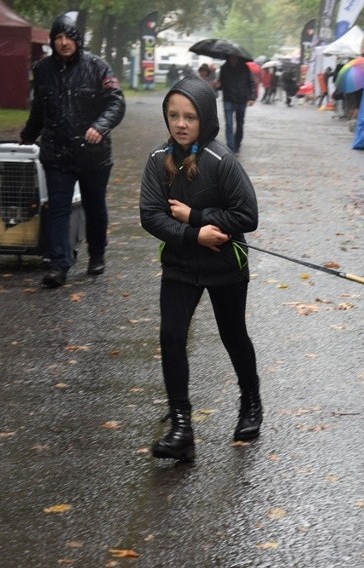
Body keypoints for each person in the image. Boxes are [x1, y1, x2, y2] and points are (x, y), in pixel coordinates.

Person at [139, 76, 262, 462]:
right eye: (173, 115)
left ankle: (250, 401)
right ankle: (181, 425)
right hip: (180, 262)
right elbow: (151, 216)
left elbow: (247, 216)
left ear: (205, 119)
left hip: (225, 263)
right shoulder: (159, 161)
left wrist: (196, 215)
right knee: (171, 336)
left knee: (232, 334)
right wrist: (194, 234)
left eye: (189, 116)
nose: (180, 123)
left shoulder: (222, 161)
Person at [20, 15, 126, 289]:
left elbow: (116, 102)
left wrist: (100, 127)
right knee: (58, 209)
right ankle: (58, 265)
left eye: (68, 37)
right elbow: (39, 110)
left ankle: (97, 254)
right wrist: (28, 136)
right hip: (57, 153)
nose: (63, 43)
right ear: (52, 41)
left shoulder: (98, 67)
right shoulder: (42, 70)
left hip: (93, 154)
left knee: (94, 207)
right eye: (57, 38)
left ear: (77, 40)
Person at [214, 55, 255, 153]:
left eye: (234, 57)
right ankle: (230, 148)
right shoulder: (224, 68)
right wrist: (217, 85)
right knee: (229, 124)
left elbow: (251, 83)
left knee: (240, 124)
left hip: (241, 100)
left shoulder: (245, 68)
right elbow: (221, 84)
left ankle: (237, 144)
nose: (232, 59)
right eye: (231, 57)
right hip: (228, 99)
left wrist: (251, 97)